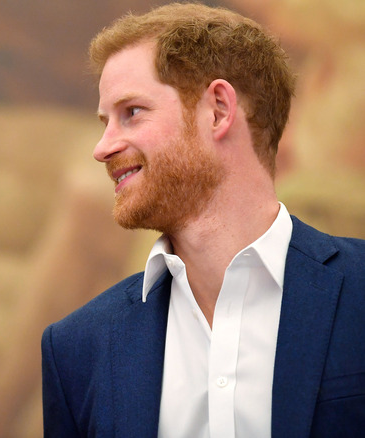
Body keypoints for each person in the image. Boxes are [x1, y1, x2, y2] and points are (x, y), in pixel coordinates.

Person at [41, 3, 365, 437]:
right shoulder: (77, 347)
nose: (102, 147)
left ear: (217, 110)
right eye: (105, 122)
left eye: (131, 112)